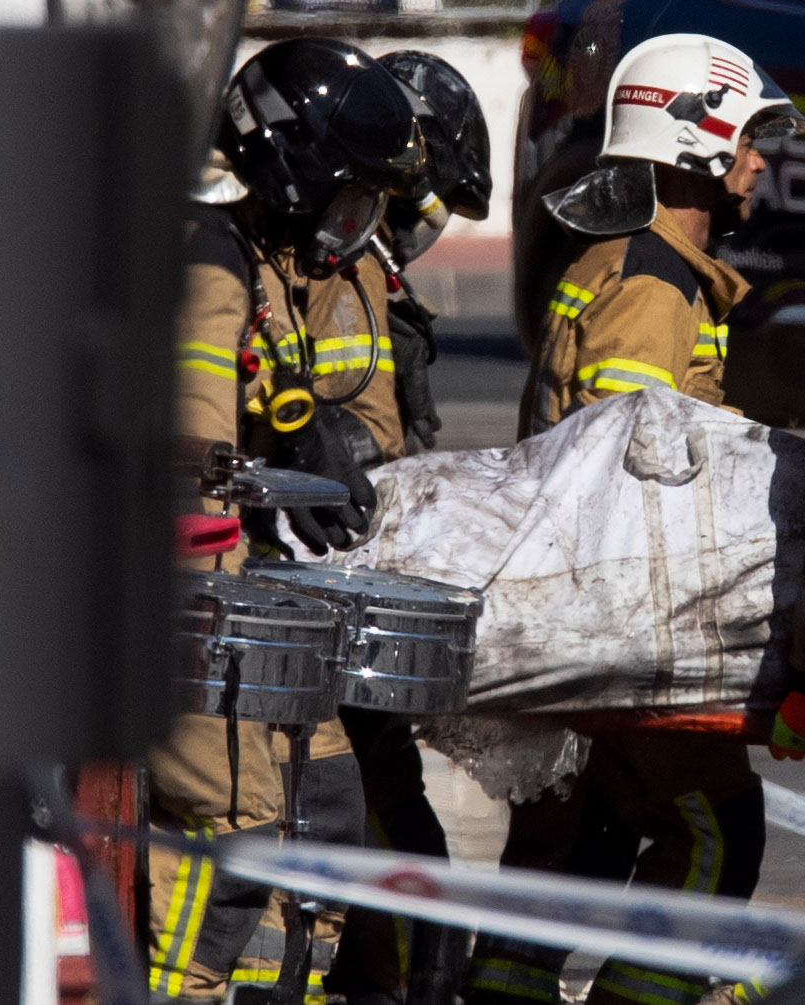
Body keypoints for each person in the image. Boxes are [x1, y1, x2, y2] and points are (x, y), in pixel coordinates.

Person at [464, 33, 805, 1005]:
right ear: (696, 147)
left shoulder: (625, 263)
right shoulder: (655, 285)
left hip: (579, 618)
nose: (758, 163)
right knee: (713, 833)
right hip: (628, 627)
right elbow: (626, 466)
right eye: (747, 141)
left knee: (574, 849)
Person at [147, 36, 427, 1005]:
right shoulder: (207, 258)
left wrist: (311, 447)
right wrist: (266, 469)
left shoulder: (261, 253)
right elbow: (187, 461)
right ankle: (178, 989)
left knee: (330, 805)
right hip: (190, 598)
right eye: (350, 200)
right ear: (292, 169)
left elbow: (272, 396)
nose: (355, 230)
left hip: (252, 599)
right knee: (234, 824)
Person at [319, 48, 494, 1005]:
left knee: (385, 796)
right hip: (324, 571)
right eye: (423, 207)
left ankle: (392, 980)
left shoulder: (371, 279)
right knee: (356, 798)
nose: (418, 232)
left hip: (364, 566)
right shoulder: (333, 270)